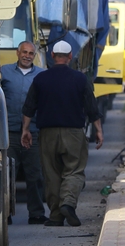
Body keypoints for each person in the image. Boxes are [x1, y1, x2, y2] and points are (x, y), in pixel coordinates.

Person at [20, 41, 103, 228]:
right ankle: (68, 203)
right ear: (70, 56)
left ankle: (56, 216)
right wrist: (98, 129)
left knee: (51, 174)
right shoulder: (80, 79)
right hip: (73, 134)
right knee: (74, 170)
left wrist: (25, 130)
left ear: (51, 54)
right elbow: (92, 107)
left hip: (47, 134)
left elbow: (29, 107)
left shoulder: (40, 79)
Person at [1, 41, 47, 224]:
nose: (28, 56)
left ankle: (36, 213)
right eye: (24, 52)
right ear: (17, 53)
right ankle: (4, 213)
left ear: (34, 56)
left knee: (34, 175)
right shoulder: (4, 72)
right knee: (6, 175)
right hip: (9, 132)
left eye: (31, 53)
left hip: (33, 133)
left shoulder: (42, 75)